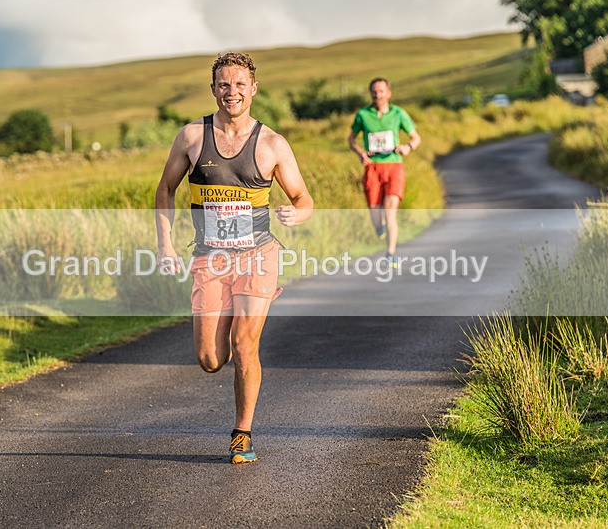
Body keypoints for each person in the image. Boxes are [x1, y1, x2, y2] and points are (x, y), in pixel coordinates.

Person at [155, 52, 313, 464]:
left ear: (254, 88)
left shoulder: (272, 143)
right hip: (210, 257)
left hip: (258, 256)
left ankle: (242, 435)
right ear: (213, 90)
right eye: (224, 85)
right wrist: (165, 245)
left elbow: (303, 197)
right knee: (210, 359)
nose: (232, 92)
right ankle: (230, 314)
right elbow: (165, 190)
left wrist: (297, 213)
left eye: (240, 84)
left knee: (245, 346)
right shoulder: (191, 137)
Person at [347, 78, 421, 267]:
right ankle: (379, 228)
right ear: (370, 93)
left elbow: (416, 138)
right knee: (376, 214)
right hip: (372, 167)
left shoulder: (398, 113)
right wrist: (360, 153)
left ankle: (391, 253)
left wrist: (408, 147)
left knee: (390, 212)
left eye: (381, 91)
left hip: (394, 166)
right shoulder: (363, 114)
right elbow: (351, 139)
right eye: (374, 91)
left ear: (388, 93)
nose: (377, 95)